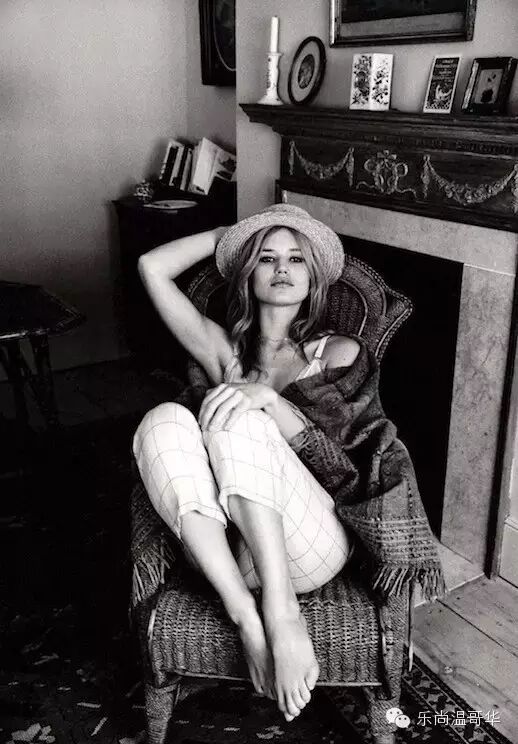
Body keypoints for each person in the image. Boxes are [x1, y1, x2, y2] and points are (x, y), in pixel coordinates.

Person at [132, 204, 444, 726]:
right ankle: (247, 619)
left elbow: (347, 469)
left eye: (296, 258)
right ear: (248, 274)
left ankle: (282, 614)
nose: (281, 268)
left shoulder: (339, 354)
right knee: (162, 419)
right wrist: (229, 235)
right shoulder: (225, 353)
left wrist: (270, 402)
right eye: (267, 257)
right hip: (227, 552)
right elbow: (151, 267)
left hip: (312, 543)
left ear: (313, 278)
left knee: (240, 411)